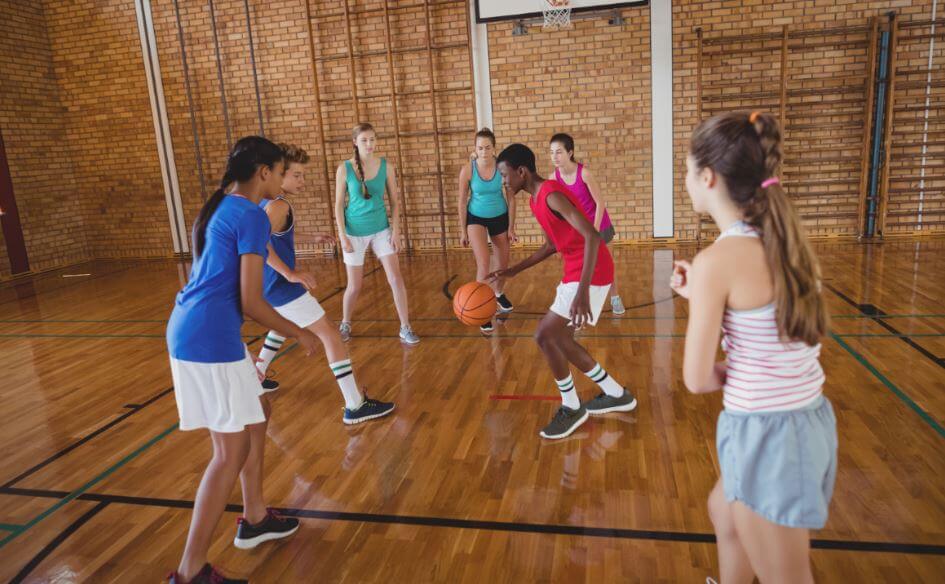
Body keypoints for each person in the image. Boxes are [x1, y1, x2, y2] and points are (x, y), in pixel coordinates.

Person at [672, 111, 837, 583]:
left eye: (687, 171)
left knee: (787, 577)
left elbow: (697, 379)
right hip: (801, 423)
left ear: (707, 177)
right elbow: (762, 319)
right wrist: (700, 297)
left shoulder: (717, 261)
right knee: (723, 512)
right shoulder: (782, 240)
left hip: (767, 434)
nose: (686, 181)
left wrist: (706, 297)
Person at [490, 144, 637, 440]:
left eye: (505, 175)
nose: (503, 181)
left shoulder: (551, 195)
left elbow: (593, 237)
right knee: (560, 338)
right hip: (576, 269)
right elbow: (551, 245)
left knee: (545, 335)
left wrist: (582, 293)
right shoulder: (535, 201)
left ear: (522, 171)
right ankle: (616, 393)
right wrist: (514, 270)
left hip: (591, 271)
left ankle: (572, 406)